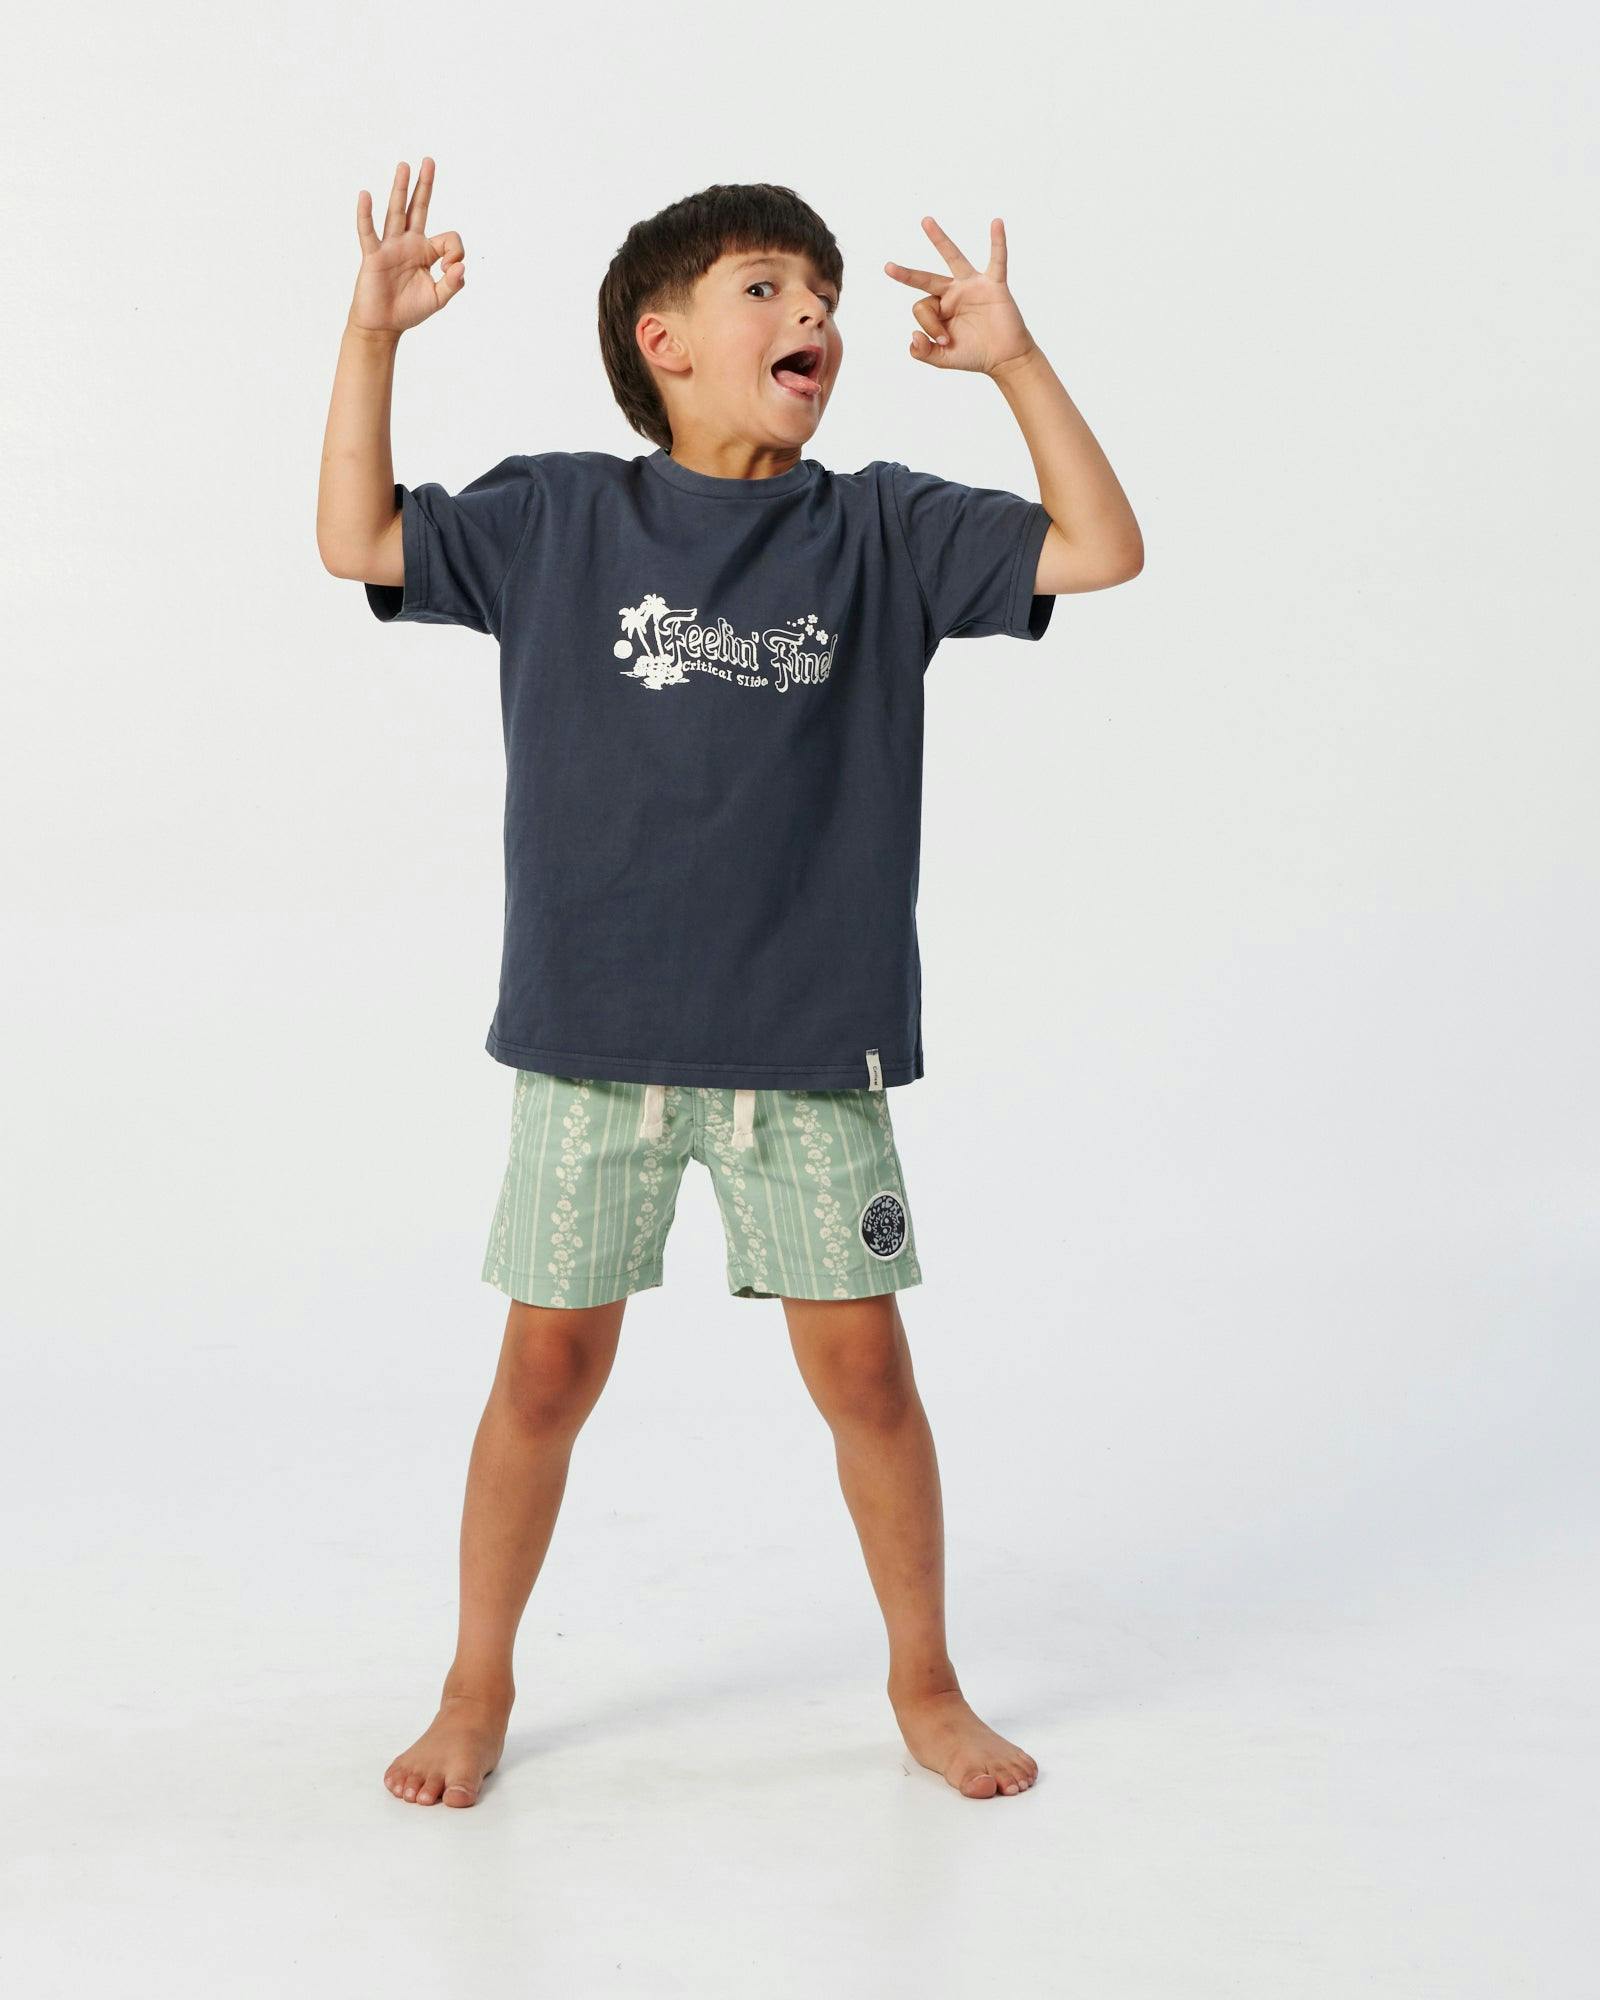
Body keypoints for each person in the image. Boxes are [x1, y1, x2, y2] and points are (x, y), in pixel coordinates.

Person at [317, 161, 1143, 1807]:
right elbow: (360, 538)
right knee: (544, 1373)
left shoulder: (884, 527)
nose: (812, 313)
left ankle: (927, 1681)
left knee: (866, 1377)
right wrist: (372, 337)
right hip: (592, 1046)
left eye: (822, 297)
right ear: (666, 341)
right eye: (768, 287)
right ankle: (476, 1685)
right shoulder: (560, 518)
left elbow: (1100, 550)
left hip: (808, 1056)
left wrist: (1015, 362)